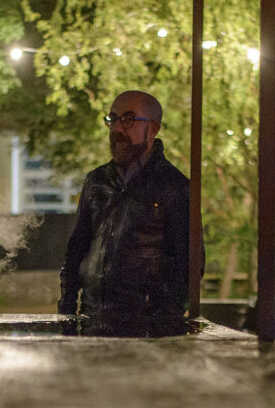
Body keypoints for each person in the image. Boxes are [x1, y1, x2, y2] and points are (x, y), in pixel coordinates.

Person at [58, 90, 199, 336]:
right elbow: (76, 249)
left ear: (153, 130)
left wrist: (162, 323)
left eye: (129, 119)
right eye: (113, 119)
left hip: (144, 330)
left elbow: (189, 264)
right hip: (92, 323)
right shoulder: (96, 181)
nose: (117, 129)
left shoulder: (174, 187)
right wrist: (67, 310)